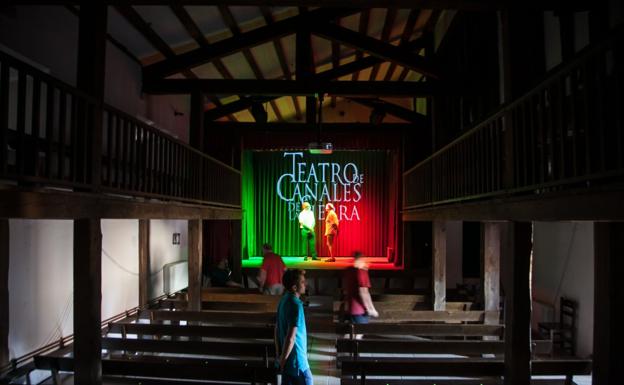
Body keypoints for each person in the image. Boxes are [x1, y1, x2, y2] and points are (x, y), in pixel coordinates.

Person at [275, 269, 313, 385]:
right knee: (308, 380)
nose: (305, 284)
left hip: (287, 361)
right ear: (294, 287)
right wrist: (282, 360)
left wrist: (280, 356)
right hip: (298, 362)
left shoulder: (283, 300)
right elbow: (291, 338)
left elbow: (276, 330)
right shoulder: (296, 305)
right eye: (302, 282)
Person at [343, 251, 378, 332]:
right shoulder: (361, 272)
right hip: (360, 310)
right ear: (360, 260)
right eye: (364, 260)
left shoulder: (349, 271)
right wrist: (371, 309)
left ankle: (344, 344)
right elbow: (364, 293)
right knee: (359, 332)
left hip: (351, 308)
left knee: (353, 333)